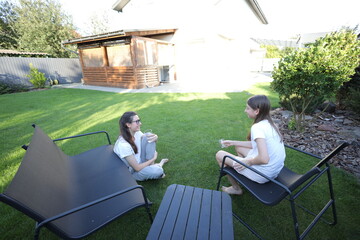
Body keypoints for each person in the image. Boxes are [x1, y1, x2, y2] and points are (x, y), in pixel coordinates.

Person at [216, 95, 285, 195]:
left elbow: (264, 159)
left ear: (256, 111)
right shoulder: (271, 124)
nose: (245, 110)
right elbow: (256, 145)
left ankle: (236, 188)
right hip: (274, 171)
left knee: (220, 154)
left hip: (263, 174)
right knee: (239, 147)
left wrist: (248, 162)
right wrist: (233, 142)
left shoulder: (257, 127)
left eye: (248, 108)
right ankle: (241, 173)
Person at [113, 111, 169, 181]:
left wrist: (156, 137)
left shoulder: (136, 132)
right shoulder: (123, 145)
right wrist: (153, 158)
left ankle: (152, 166)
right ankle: (158, 165)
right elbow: (137, 168)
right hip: (133, 171)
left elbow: (149, 141)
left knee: (149, 135)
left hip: (140, 160)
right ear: (128, 125)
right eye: (137, 121)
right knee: (158, 171)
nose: (140, 124)